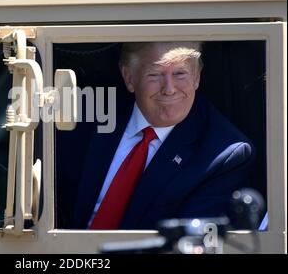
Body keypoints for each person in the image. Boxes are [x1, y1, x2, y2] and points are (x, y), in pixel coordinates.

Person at [69, 42, 255, 230]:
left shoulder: (224, 154)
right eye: (155, 74)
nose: (169, 89)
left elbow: (191, 241)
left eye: (180, 74)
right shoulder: (87, 113)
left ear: (197, 77)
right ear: (129, 77)